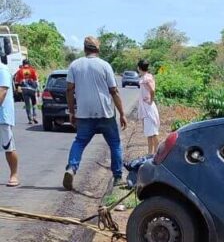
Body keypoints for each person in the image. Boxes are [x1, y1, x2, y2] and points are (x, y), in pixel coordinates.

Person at [63, 35, 127, 191]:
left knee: (79, 142)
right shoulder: (105, 65)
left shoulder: (75, 65)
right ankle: (118, 177)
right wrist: (122, 113)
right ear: (98, 49)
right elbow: (114, 91)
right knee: (115, 144)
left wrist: (72, 112)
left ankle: (71, 168)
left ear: (85, 49)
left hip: (84, 114)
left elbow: (69, 90)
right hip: (105, 113)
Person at [0, 48, 19, 186]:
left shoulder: (2, 70)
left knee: (8, 147)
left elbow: (2, 92)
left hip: (3, 117)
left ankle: (14, 175)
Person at [137, 58, 160, 155]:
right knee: (149, 132)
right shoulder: (146, 77)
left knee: (153, 132)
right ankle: (150, 153)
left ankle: (157, 153)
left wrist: (151, 100)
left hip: (148, 107)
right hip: (146, 106)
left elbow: (152, 90)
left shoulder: (147, 78)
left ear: (139, 68)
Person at [14, 59, 39, 125]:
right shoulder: (33, 70)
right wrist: (38, 90)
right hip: (32, 90)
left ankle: (30, 119)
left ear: (23, 64)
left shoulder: (19, 71)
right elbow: (36, 80)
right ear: (29, 63)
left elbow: (16, 82)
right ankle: (34, 116)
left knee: (27, 104)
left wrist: (17, 90)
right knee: (34, 103)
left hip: (24, 89)